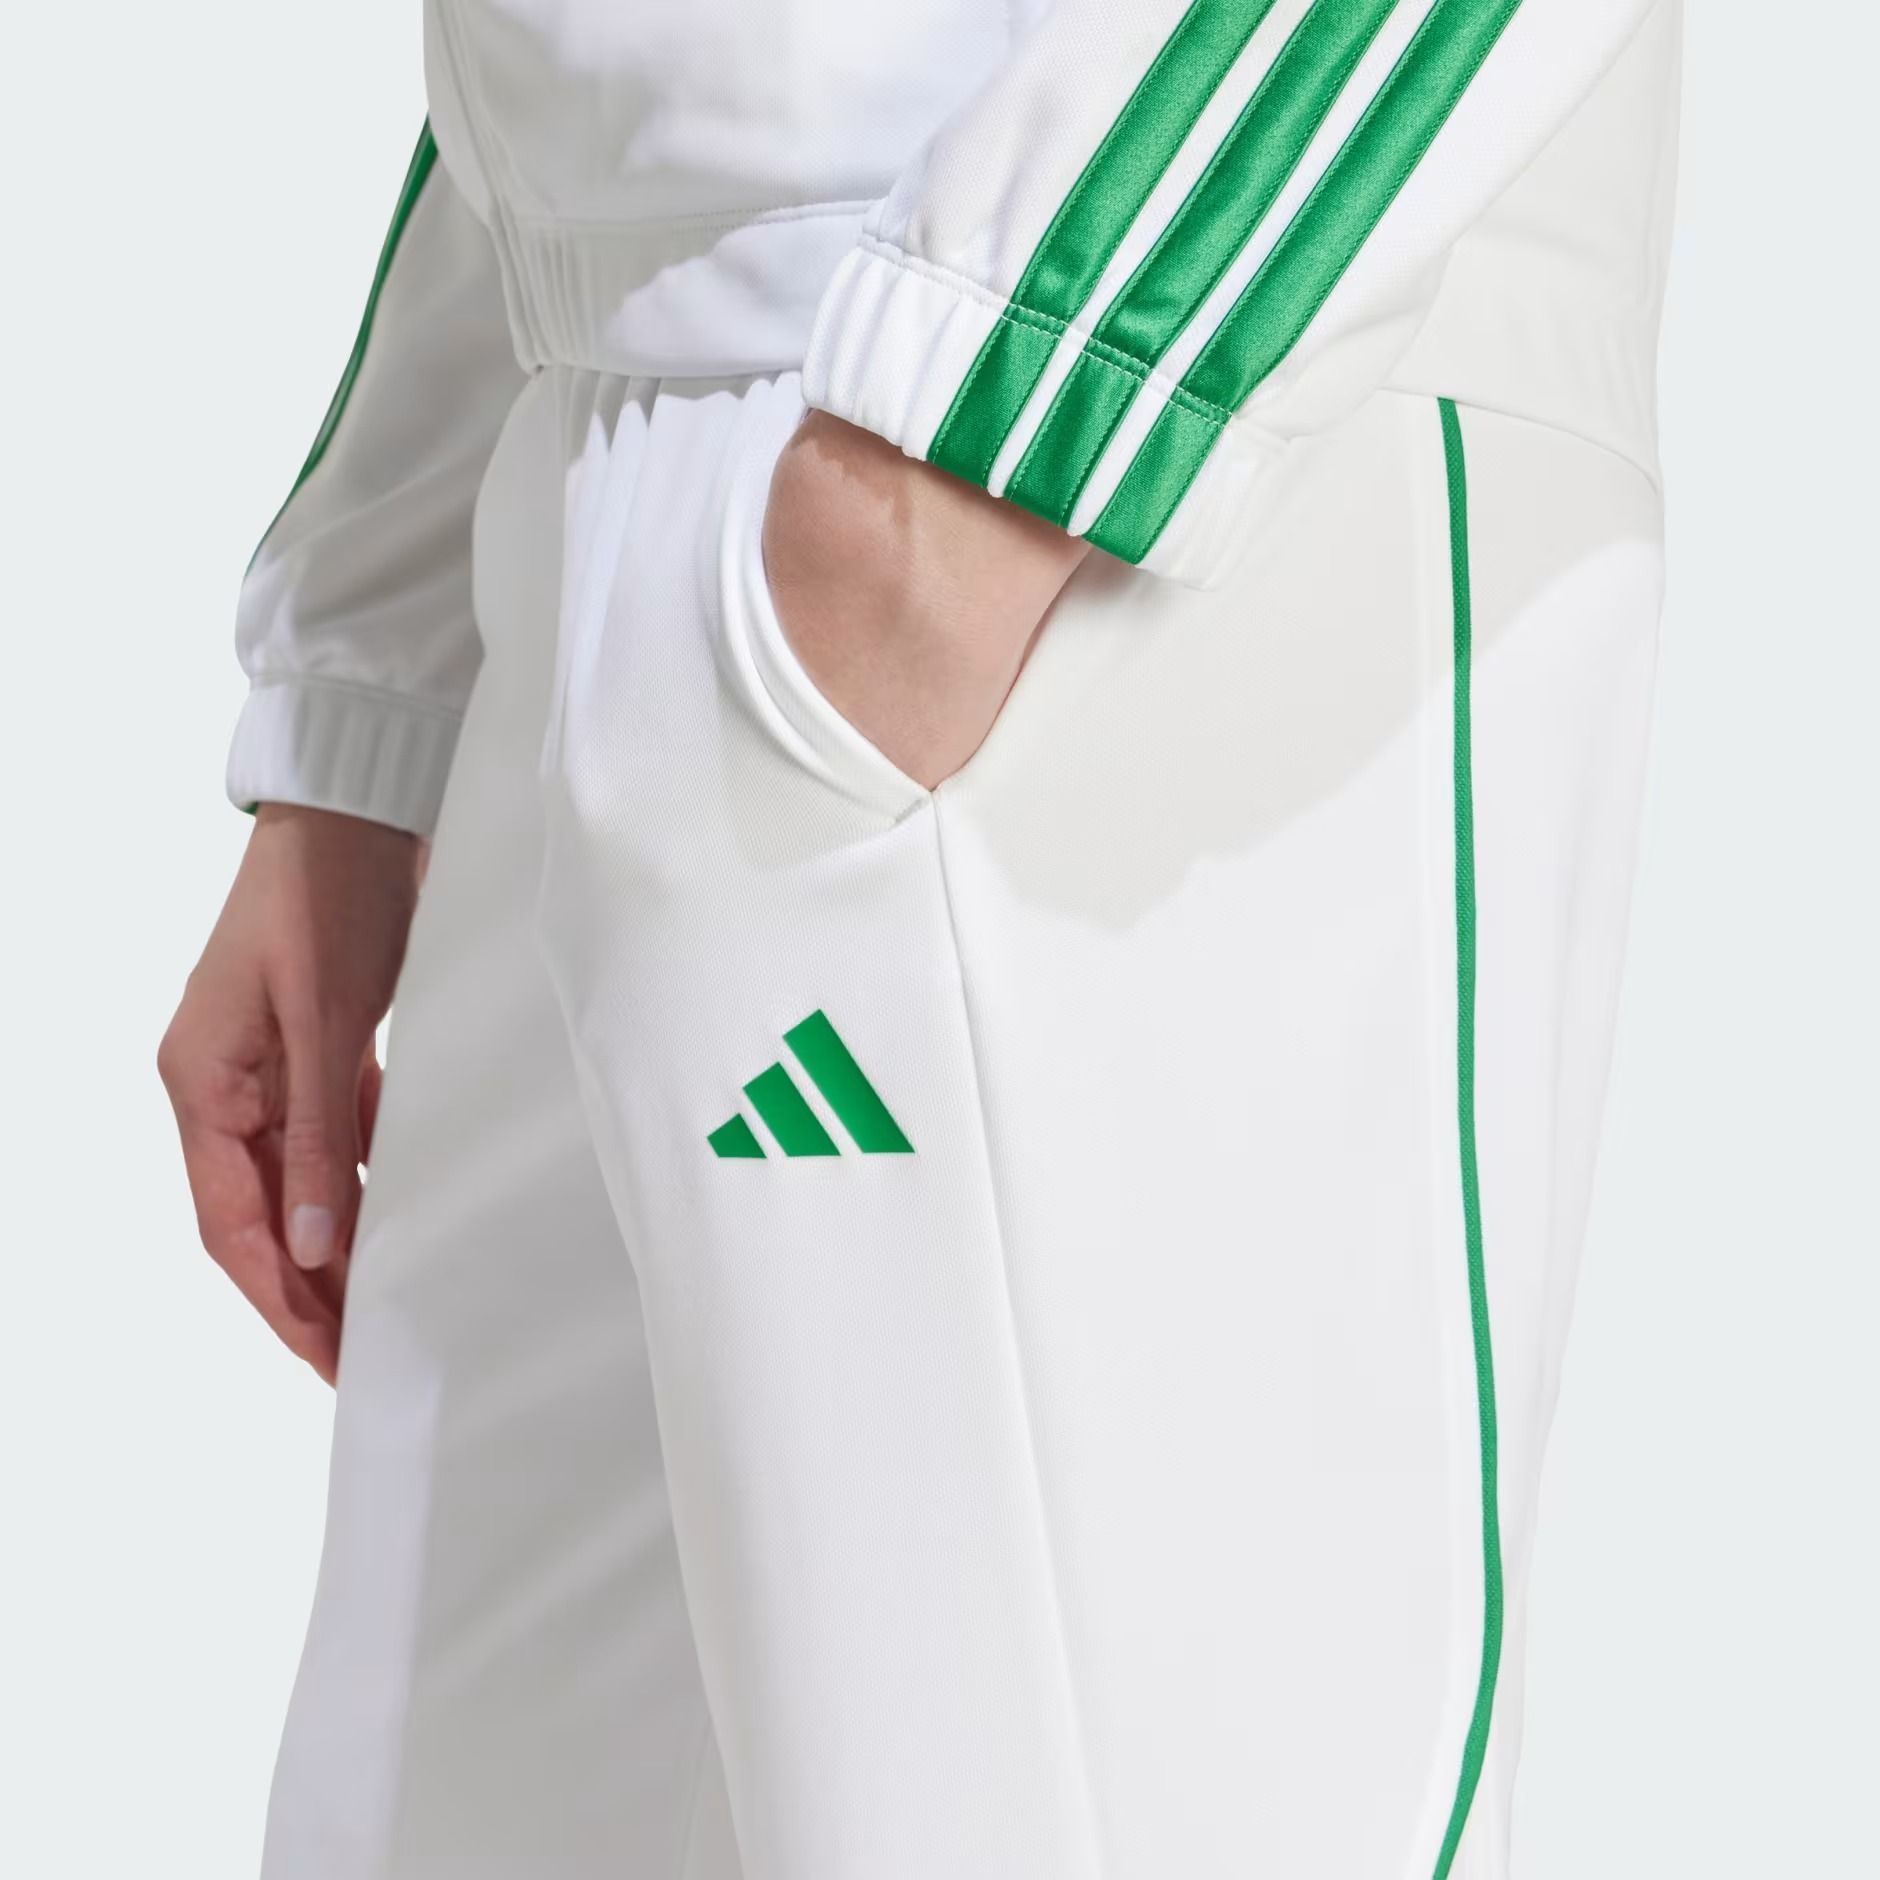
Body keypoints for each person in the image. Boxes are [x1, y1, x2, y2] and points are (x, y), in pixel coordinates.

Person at [158, 1, 1682, 1874]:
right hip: (618, 458)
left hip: (1136, 436)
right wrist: (369, 701)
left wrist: (1029, 402)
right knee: (465, 1822)